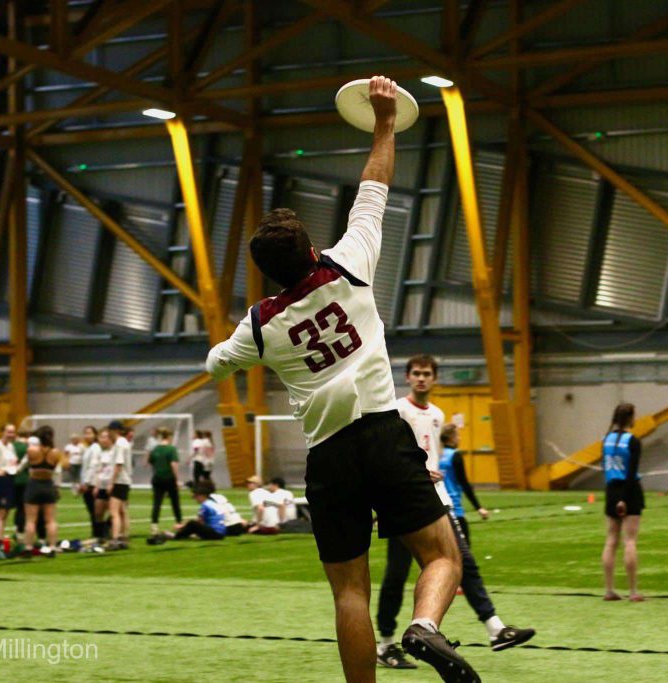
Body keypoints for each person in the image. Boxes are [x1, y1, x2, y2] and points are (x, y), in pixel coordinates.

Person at [207, 76, 475, 683]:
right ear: (310, 250)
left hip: (327, 459)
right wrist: (384, 122)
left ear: (266, 273)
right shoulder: (350, 262)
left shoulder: (260, 325)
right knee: (441, 556)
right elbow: (374, 188)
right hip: (384, 436)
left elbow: (217, 362)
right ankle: (425, 627)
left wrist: (227, 355)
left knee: (348, 592)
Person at [377, 355, 535, 671]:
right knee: (396, 574)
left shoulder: (437, 414)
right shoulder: (398, 410)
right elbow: (389, 453)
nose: (421, 378)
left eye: (427, 374)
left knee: (463, 561)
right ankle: (385, 644)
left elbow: (431, 457)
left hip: (436, 501)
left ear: (435, 379)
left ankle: (496, 628)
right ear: (408, 377)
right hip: (403, 499)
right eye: (416, 373)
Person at [600, 403, 645, 602]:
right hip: (629, 491)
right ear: (630, 418)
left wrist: (616, 496)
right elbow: (631, 471)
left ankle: (609, 589)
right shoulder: (633, 441)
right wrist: (624, 499)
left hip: (611, 489)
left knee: (611, 541)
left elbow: (605, 466)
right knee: (630, 541)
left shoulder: (606, 440)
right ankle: (633, 590)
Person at [438, 424, 489, 546]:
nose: (459, 438)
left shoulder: (437, 455)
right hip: (454, 508)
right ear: (451, 437)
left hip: (437, 510)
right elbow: (464, 483)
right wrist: (478, 507)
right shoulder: (455, 455)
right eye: (458, 435)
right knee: (464, 552)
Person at [22, 426, 61, 552]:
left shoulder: (32, 450)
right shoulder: (56, 452)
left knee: (31, 520)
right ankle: (52, 546)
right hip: (48, 484)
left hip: (34, 484)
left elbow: (25, 464)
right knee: (50, 520)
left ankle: (28, 547)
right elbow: (57, 470)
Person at [95, 427, 131, 549]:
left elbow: (118, 464)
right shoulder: (124, 443)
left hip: (120, 481)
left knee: (114, 512)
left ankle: (115, 539)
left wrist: (111, 482)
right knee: (122, 511)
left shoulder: (120, 444)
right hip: (124, 480)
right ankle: (123, 537)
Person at [172, 481, 243, 540]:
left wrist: (184, 526)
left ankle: (178, 536)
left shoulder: (209, 501)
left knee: (194, 525)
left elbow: (201, 520)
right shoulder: (220, 496)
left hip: (228, 527)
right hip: (237, 525)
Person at [149, 427, 183, 536]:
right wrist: (177, 479)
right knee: (175, 502)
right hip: (169, 478)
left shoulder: (155, 449)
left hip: (157, 478)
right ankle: (179, 523)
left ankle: (154, 525)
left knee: (157, 503)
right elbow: (174, 464)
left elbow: (151, 462)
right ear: (169, 437)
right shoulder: (171, 449)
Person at [79, 426, 103, 541]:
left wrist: (86, 482)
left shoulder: (95, 448)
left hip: (92, 483)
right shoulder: (89, 448)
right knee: (92, 511)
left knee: (95, 511)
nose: (86, 436)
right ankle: (97, 533)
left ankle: (98, 533)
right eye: (85, 433)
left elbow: (93, 466)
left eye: (89, 433)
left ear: (95, 435)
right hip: (88, 481)